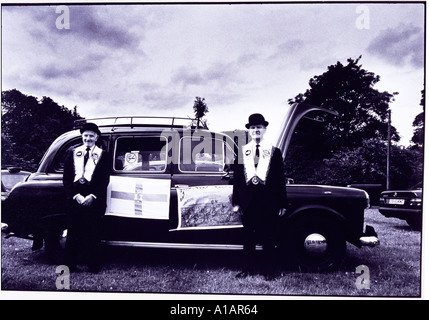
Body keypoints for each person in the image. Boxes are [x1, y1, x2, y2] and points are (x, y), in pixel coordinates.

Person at [232, 113, 287, 280]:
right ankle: (247, 269)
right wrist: (236, 202)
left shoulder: (274, 152)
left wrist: (282, 203)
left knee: (268, 238)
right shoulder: (242, 152)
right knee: (248, 238)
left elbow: (279, 179)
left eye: (259, 127)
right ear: (249, 130)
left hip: (268, 202)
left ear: (264, 130)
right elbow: (238, 179)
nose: (256, 130)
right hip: (248, 202)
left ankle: (269, 271)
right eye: (253, 127)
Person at [63, 122, 110, 273]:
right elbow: (67, 178)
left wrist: (93, 196)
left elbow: (104, 180)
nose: (88, 138)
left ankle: (93, 265)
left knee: (93, 232)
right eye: (85, 136)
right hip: (75, 199)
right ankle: (70, 264)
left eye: (91, 136)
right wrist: (75, 195)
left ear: (96, 137)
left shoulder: (104, 154)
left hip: (94, 200)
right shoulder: (72, 152)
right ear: (82, 137)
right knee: (73, 232)